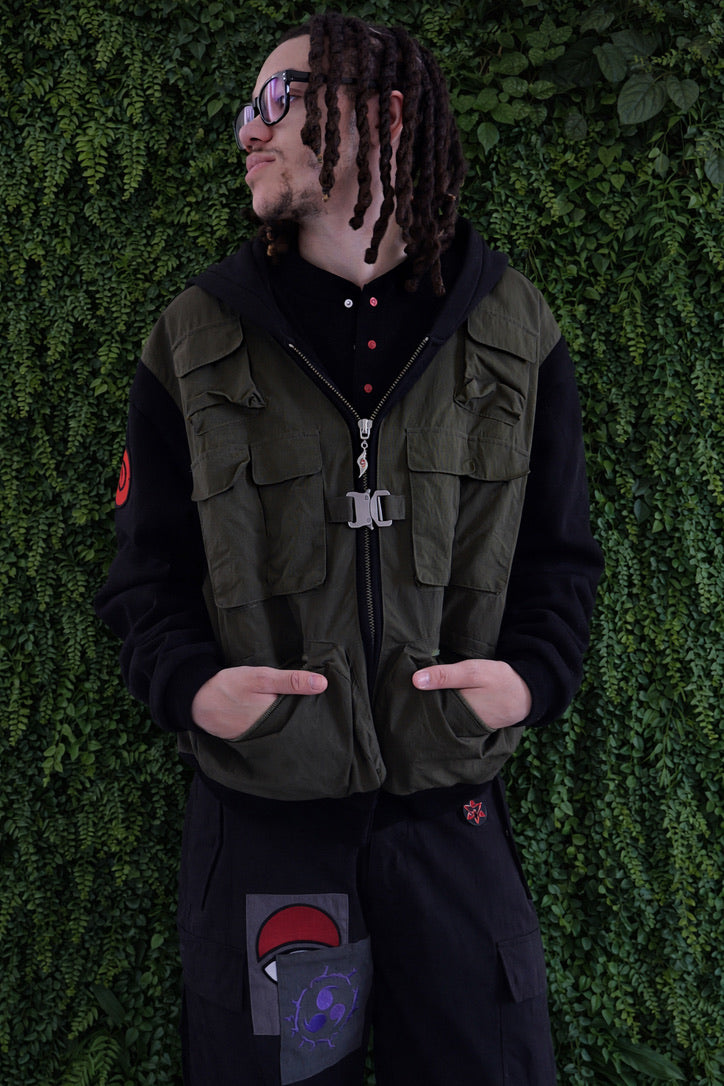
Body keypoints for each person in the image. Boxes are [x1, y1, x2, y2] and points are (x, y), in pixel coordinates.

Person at [95, 12, 603, 1085]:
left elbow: (562, 558)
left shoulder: (513, 330)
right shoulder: (195, 338)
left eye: (276, 100)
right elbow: (145, 575)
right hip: (273, 837)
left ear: (385, 117)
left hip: (450, 820)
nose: (248, 130)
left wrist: (527, 681)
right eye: (247, 108)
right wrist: (194, 690)